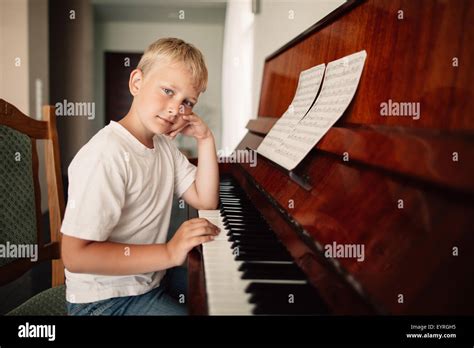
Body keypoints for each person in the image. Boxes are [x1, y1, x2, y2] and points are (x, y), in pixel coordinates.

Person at [60, 37, 220, 315]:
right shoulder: (106, 154)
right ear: (136, 83)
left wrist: (205, 139)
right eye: (168, 90)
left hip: (151, 278)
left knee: (219, 298)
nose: (175, 109)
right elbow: (75, 255)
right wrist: (170, 252)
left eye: (187, 102)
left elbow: (205, 200)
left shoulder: (165, 148)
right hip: (104, 301)